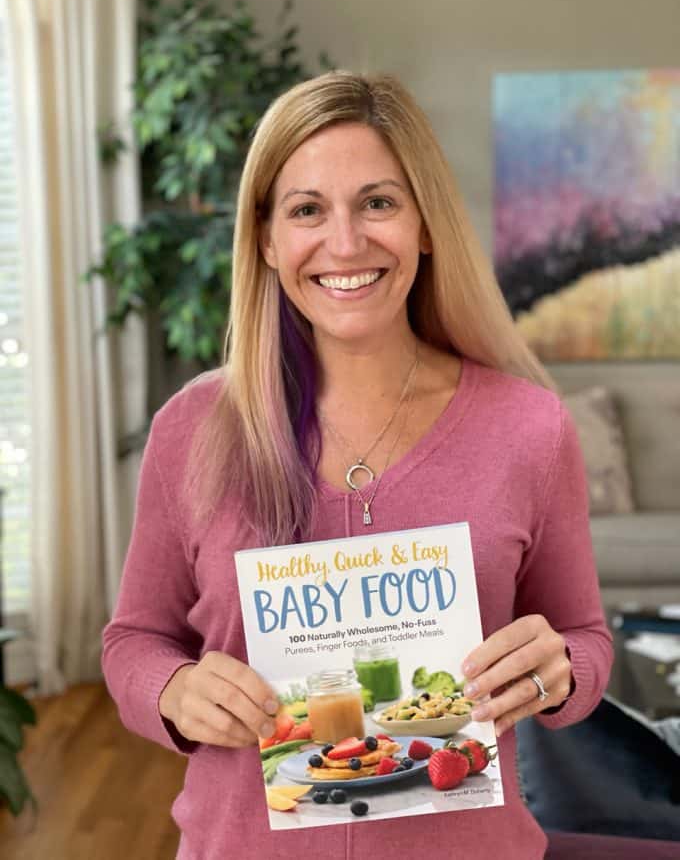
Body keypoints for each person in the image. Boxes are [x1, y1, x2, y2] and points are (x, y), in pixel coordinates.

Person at [102, 70, 613, 859]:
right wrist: (169, 690)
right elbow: (133, 639)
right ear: (268, 239)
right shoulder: (192, 429)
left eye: (378, 202)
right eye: (308, 210)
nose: (345, 243)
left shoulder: (531, 428)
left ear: (426, 224)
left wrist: (563, 669)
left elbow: (585, 639)